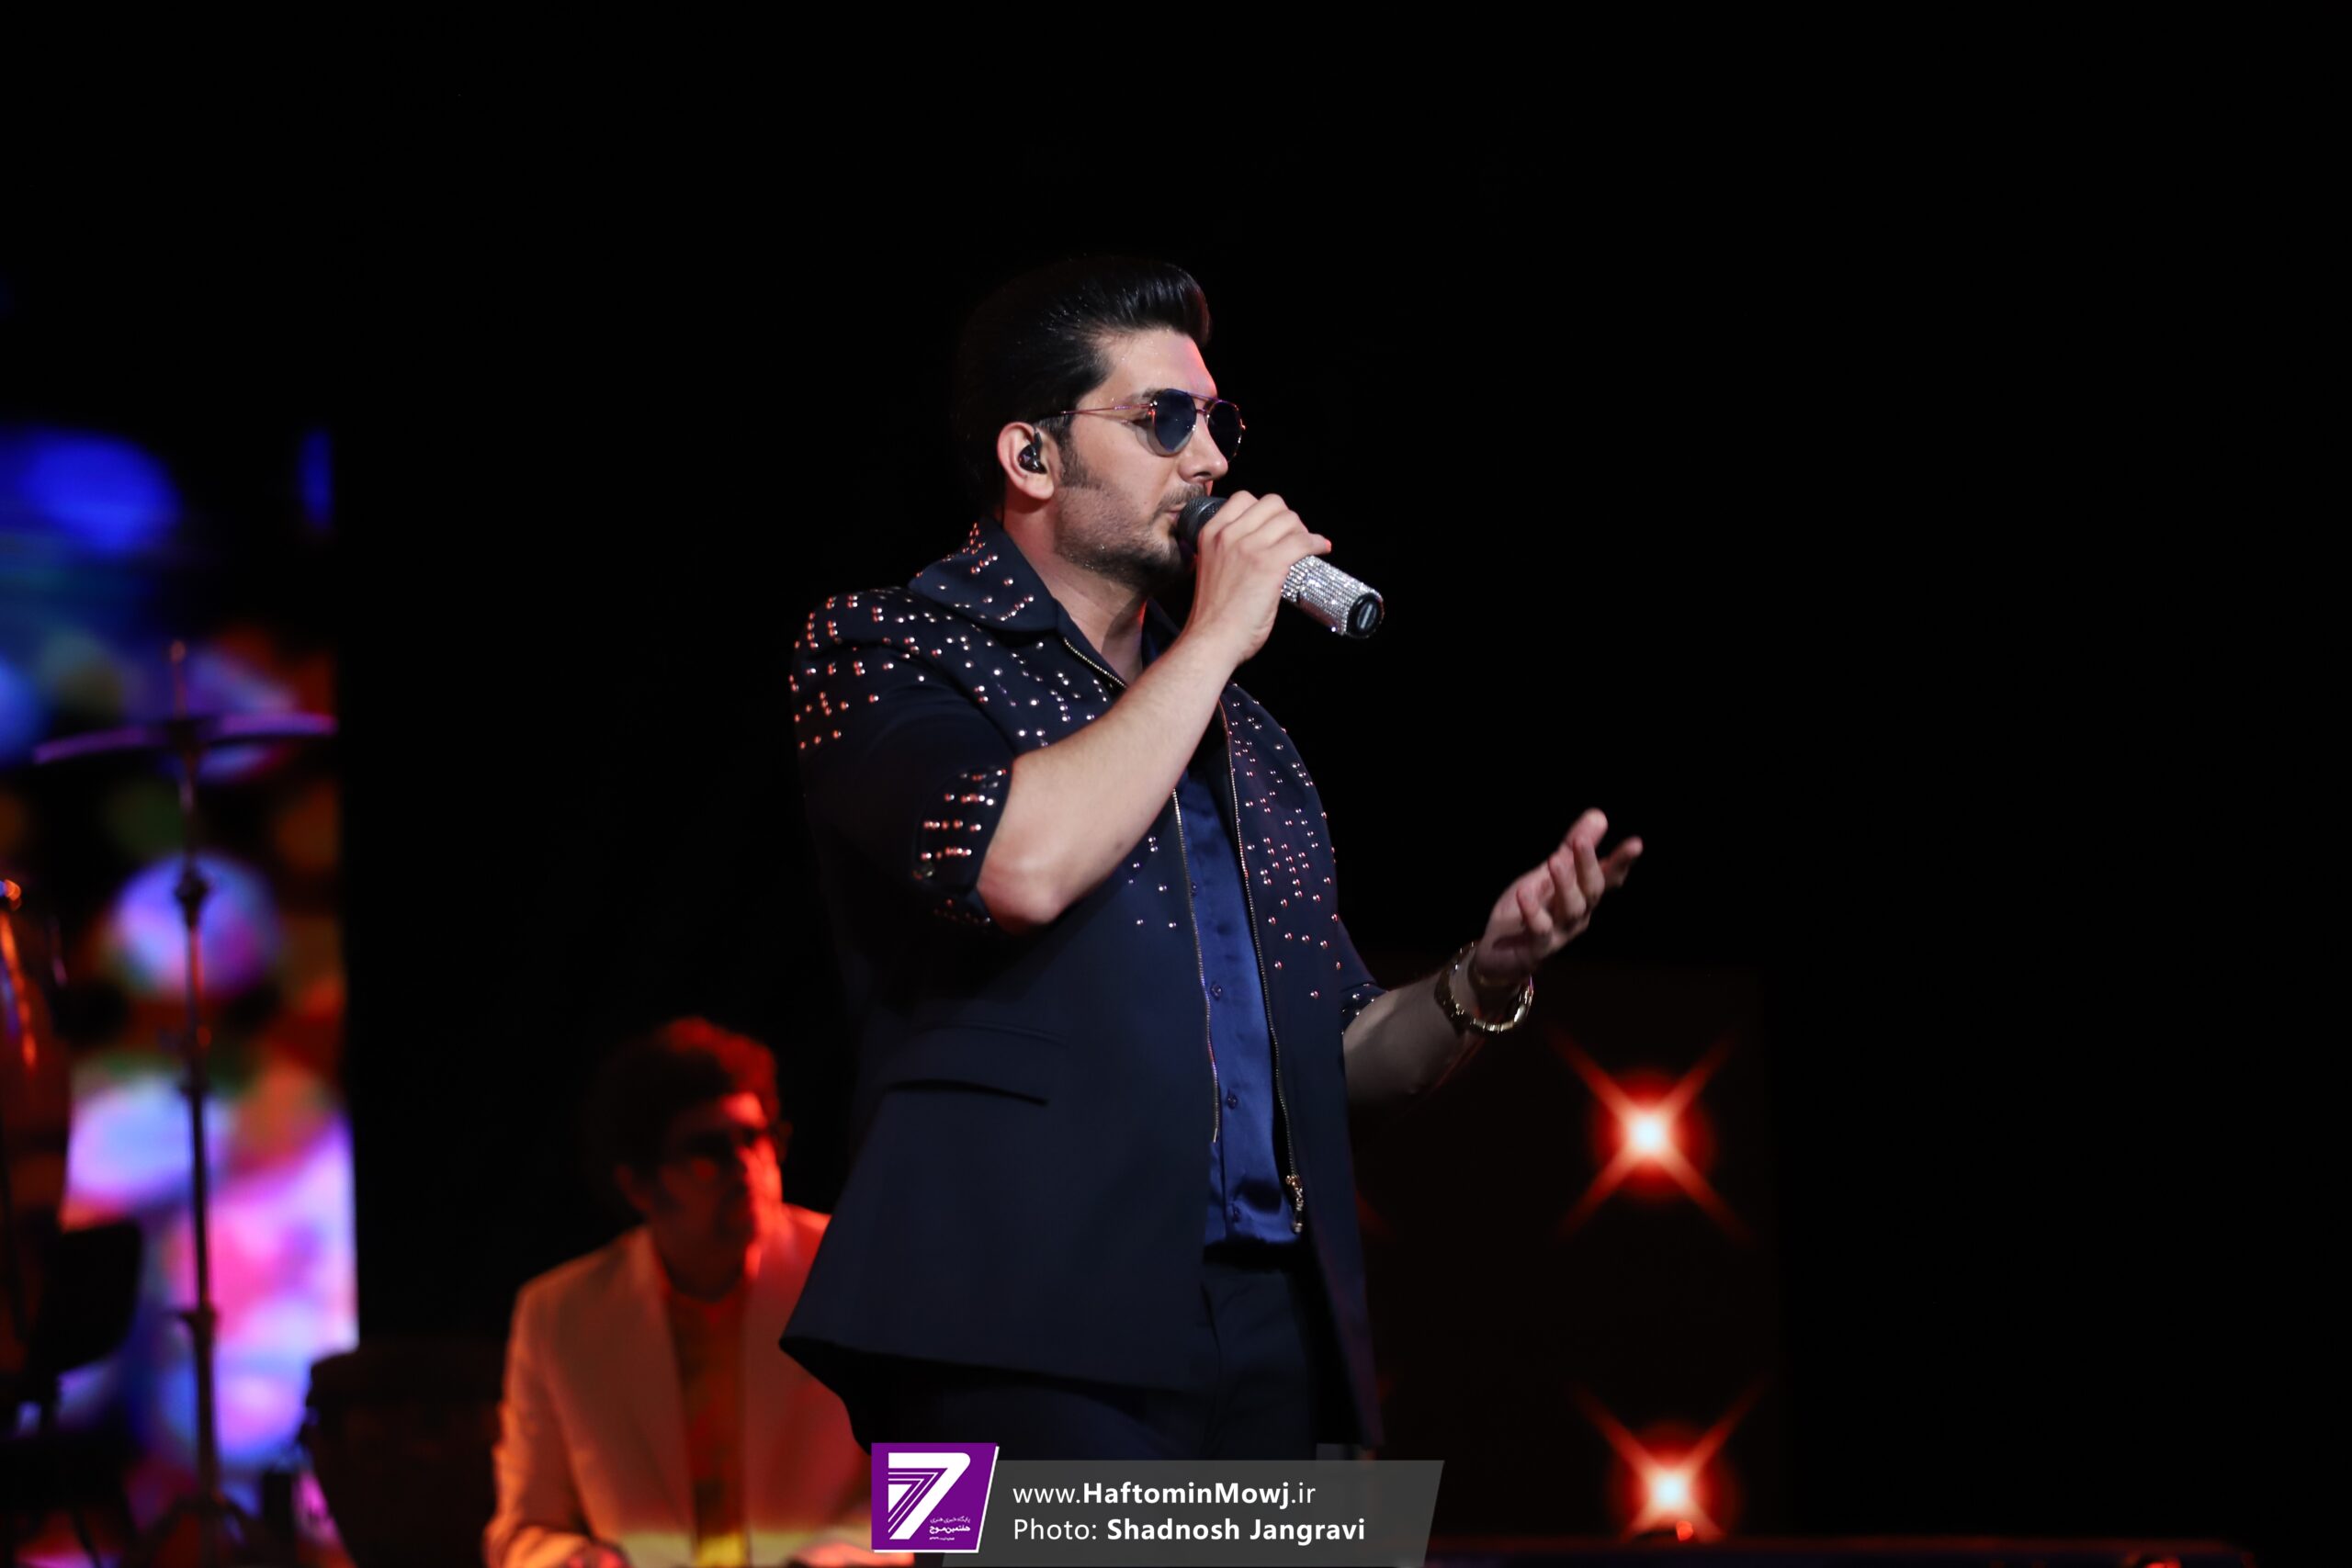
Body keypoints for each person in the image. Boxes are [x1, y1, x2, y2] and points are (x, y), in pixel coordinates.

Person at [782, 257, 1640, 1461]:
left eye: (1218, 422)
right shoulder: (885, 645)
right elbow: (1015, 863)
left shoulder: (1248, 740)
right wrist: (1224, 633)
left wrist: (1481, 977)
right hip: (1003, 1326)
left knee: (1341, 1545)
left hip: (1274, 1320)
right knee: (1029, 1558)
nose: (1210, 462)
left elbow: (1332, 1059)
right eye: (1164, 419)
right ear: (1031, 457)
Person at [486, 1019, 902, 1568]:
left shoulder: (862, 1270)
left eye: (756, 1137)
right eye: (709, 1150)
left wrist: (829, 1562)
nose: (747, 1166)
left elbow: (949, 1490)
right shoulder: (560, 1314)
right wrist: (578, 1562)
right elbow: (523, 1530)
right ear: (638, 1185)